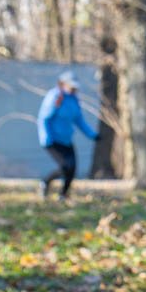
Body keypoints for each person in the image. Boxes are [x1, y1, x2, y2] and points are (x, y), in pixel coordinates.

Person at [36, 70, 98, 201]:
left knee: (72, 169)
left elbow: (79, 120)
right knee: (65, 166)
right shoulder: (55, 97)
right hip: (52, 140)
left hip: (66, 139)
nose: (73, 89)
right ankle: (45, 183)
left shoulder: (74, 100)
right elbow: (44, 118)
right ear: (63, 84)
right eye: (71, 86)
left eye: (75, 87)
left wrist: (92, 135)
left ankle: (63, 195)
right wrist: (46, 137)